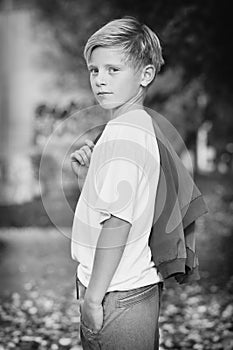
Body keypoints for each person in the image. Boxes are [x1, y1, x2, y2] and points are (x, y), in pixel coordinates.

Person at [70, 16, 207, 350]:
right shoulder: (140, 126)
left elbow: (118, 224)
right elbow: (123, 205)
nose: (100, 80)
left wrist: (92, 300)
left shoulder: (121, 135)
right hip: (133, 293)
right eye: (94, 70)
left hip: (117, 296)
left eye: (113, 70)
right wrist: (88, 181)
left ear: (146, 74)